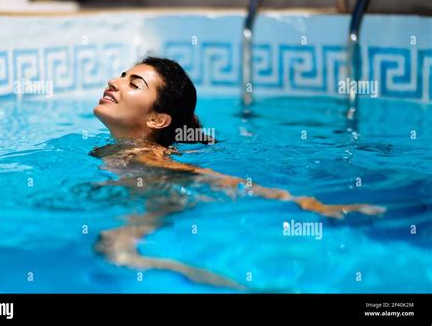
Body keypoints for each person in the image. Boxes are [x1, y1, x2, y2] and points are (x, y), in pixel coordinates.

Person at [92, 56, 385, 290]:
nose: (113, 82)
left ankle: (216, 282)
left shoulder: (147, 156)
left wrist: (311, 204)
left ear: (157, 119)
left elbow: (215, 179)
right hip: (150, 201)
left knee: (115, 252)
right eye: (121, 75)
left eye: (134, 83)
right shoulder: (115, 150)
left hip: (165, 202)